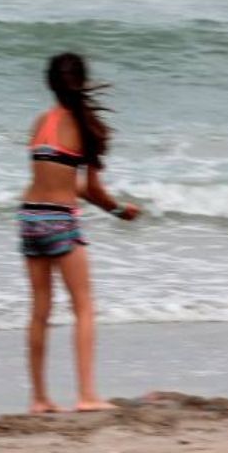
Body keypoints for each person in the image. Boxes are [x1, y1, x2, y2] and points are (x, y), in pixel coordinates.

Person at [21, 53, 139, 414]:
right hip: (60, 218)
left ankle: (40, 398)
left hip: (29, 217)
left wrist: (108, 207)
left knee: (40, 309)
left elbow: (54, 177)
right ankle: (87, 394)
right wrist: (119, 211)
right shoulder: (85, 128)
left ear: (50, 84)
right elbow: (91, 191)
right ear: (83, 82)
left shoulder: (40, 122)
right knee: (84, 307)